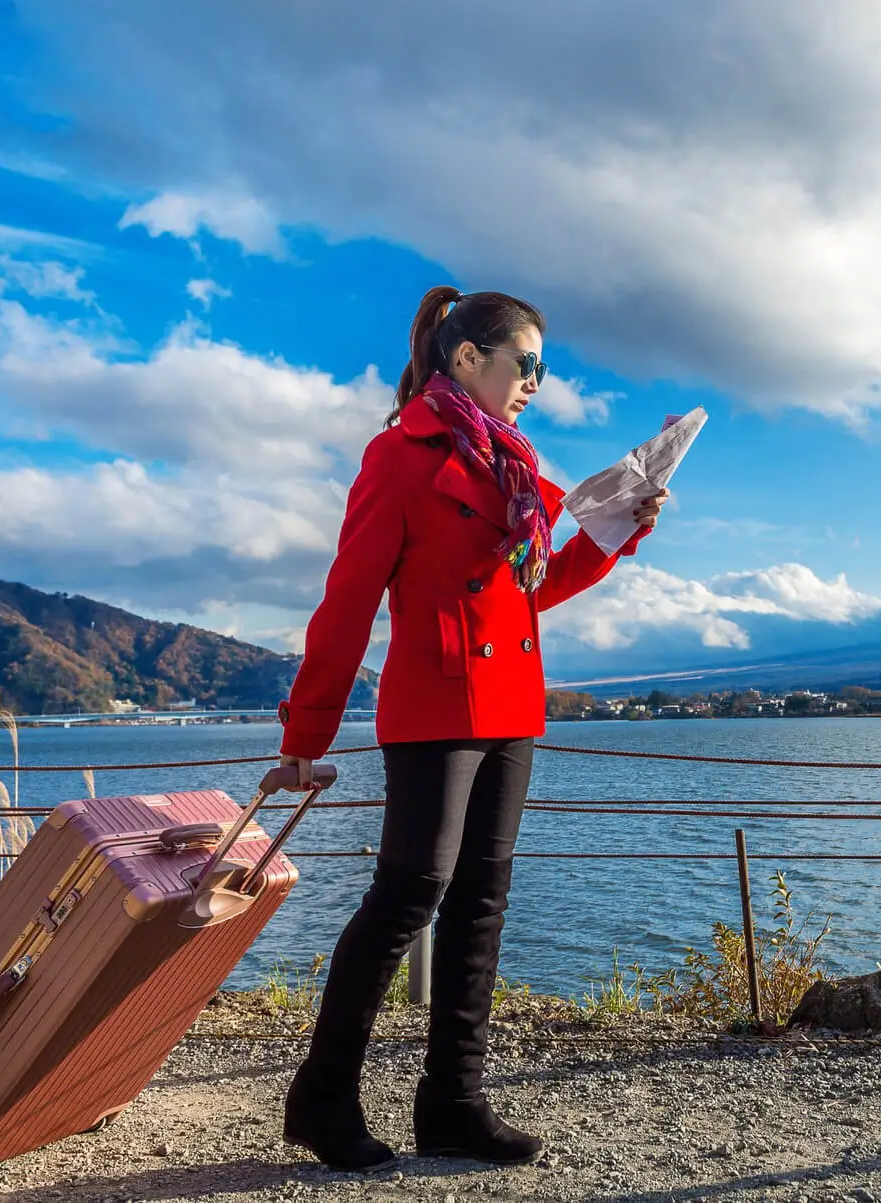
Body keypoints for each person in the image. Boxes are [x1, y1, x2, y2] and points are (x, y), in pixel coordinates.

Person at [276, 285, 667, 1171]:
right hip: (434, 708)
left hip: (511, 708)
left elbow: (535, 587)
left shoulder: (514, 469)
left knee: (482, 902)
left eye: (544, 368)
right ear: (466, 358)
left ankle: (453, 1101)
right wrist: (307, 731)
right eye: (525, 363)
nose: (537, 381)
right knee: (408, 894)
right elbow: (347, 602)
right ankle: (323, 1093)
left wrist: (615, 533)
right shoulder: (399, 457)